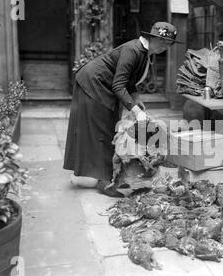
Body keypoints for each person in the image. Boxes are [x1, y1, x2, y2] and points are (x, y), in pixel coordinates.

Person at [63, 22, 182, 197]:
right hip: (93, 82)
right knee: (101, 129)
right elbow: (119, 85)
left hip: (104, 85)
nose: (165, 46)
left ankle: (106, 174)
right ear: (152, 37)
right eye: (162, 41)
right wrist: (136, 111)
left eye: (168, 43)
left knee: (108, 126)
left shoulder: (145, 53)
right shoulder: (133, 50)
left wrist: (135, 97)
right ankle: (105, 181)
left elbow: (129, 79)